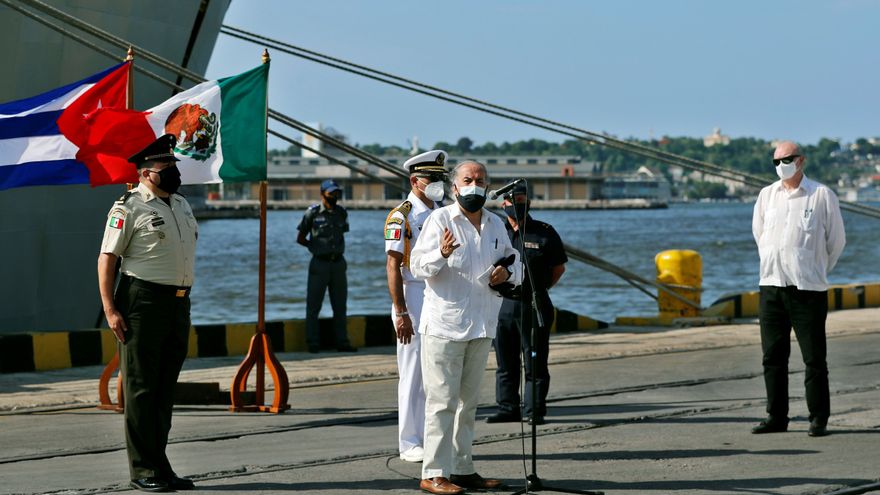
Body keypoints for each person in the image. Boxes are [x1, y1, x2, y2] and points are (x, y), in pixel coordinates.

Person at [409, 160, 522, 495]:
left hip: (481, 324)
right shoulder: (439, 220)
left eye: (481, 180)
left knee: (467, 404)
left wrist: (507, 275)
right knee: (441, 402)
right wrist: (441, 254)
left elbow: (516, 265)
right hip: (445, 326)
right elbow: (417, 267)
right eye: (468, 180)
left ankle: (462, 468)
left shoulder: (496, 225)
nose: (475, 185)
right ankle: (433, 473)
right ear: (455, 187)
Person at [97, 134, 197, 492]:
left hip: (177, 302)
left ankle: (160, 465)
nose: (174, 173)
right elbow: (107, 258)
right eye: (166, 168)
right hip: (142, 301)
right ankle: (143, 470)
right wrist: (110, 309)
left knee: (164, 387)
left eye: (174, 167)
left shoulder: (182, 205)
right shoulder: (128, 208)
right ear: (145, 173)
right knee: (141, 388)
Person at [751, 141, 846, 437]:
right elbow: (759, 235)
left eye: (787, 159)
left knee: (814, 358)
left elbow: (836, 242)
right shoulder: (767, 195)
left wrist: (814, 270)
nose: (782, 165)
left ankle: (818, 418)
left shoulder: (821, 195)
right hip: (772, 287)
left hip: (808, 290)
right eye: (777, 161)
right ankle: (776, 417)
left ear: (801, 160)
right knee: (772, 357)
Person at [384, 150, 448, 463]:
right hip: (413, 295)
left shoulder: (442, 211)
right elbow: (393, 266)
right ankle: (409, 442)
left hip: (438, 295)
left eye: (441, 178)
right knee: (412, 372)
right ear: (415, 181)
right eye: (432, 179)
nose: (438, 184)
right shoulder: (403, 216)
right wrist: (400, 311)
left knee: (436, 371)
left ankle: (431, 437)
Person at [486, 183, 567, 426]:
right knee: (505, 361)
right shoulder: (495, 231)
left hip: (533, 304)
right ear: (504, 204)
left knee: (534, 362)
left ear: (528, 201)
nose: (518, 204)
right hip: (502, 305)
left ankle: (534, 411)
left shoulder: (544, 232)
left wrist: (538, 290)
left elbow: (558, 268)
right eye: (513, 200)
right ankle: (507, 407)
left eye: (522, 199)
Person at [297, 179, 356, 353]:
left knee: (340, 306)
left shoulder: (341, 213)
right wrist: (315, 247)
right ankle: (313, 343)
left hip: (338, 264)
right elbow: (300, 238)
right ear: (322, 194)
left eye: (337, 193)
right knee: (314, 306)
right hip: (319, 265)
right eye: (331, 193)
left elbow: (342, 233)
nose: (335, 196)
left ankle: (342, 343)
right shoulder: (312, 213)